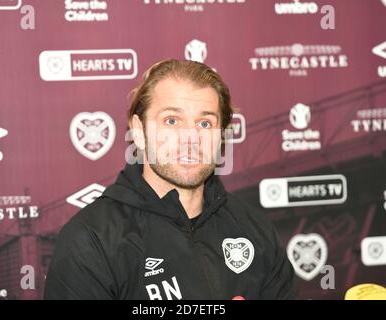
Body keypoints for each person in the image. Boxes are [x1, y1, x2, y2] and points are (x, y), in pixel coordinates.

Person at [44, 59, 297, 300]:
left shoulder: (255, 229)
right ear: (139, 131)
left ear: (222, 136)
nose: (190, 138)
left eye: (205, 123)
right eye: (172, 121)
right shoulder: (91, 240)